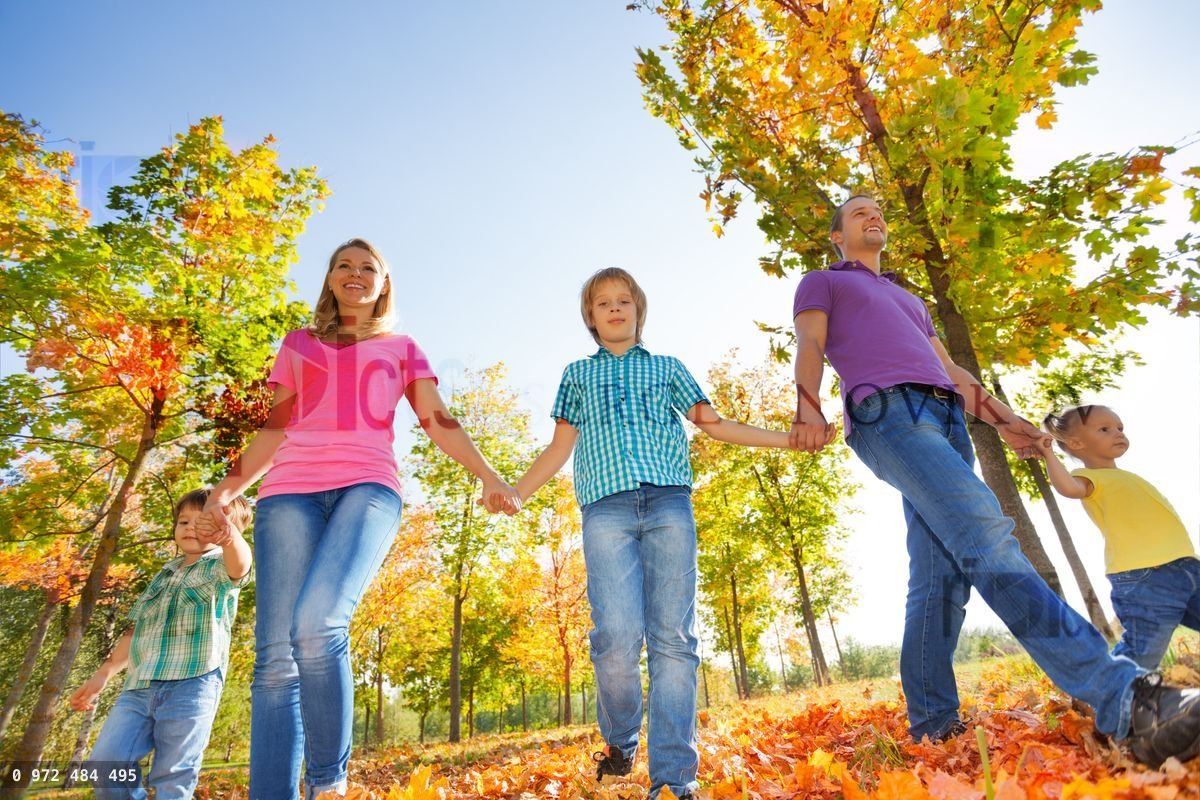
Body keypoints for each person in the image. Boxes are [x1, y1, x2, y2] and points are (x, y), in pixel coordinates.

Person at [789, 193, 1200, 766]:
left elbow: (951, 371)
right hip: (888, 417)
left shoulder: (910, 301)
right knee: (986, 536)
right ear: (837, 235)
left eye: (878, 209)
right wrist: (808, 405)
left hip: (949, 422)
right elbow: (810, 342)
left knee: (939, 579)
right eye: (858, 212)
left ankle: (934, 725)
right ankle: (1123, 699)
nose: (873, 215)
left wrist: (1007, 421)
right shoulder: (823, 281)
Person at [197, 238, 520, 799]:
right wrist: (225, 491)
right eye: (343, 265)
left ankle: (328, 784)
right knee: (276, 659)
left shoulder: (401, 346)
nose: (355, 274)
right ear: (329, 279)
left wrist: (489, 475)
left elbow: (437, 420)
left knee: (318, 625)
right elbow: (275, 428)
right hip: (289, 493)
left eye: (367, 267)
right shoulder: (298, 344)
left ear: (383, 283)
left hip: (367, 488)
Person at [513, 267, 803, 799]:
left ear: (639, 311)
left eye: (624, 301)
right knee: (616, 638)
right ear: (591, 317)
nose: (615, 309)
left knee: (674, 639)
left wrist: (788, 440)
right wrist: (516, 491)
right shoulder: (577, 375)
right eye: (604, 303)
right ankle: (621, 740)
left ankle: (673, 777)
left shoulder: (668, 368)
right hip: (606, 509)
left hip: (669, 501)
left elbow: (714, 423)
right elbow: (559, 448)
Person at [70, 490, 253, 799]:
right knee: (106, 764)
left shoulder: (220, 569)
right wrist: (104, 673)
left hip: (193, 685)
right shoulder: (162, 575)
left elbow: (241, 565)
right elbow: (137, 628)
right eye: (184, 521)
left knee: (173, 774)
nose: (190, 527)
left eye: (204, 522)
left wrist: (230, 538)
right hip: (139, 687)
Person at [1039, 404, 1199, 668]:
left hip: (1187, 567)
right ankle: (1108, 695)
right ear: (1076, 443)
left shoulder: (1127, 477)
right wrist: (1048, 454)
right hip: (1146, 578)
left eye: (1119, 428)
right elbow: (1067, 487)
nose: (1118, 433)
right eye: (1105, 429)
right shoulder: (1089, 478)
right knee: (1142, 653)